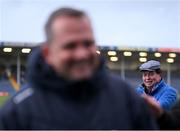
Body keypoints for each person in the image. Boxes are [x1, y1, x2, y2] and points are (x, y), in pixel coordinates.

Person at [0, 7, 157, 129]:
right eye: (70, 46)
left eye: (88, 44)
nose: (82, 54)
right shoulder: (17, 111)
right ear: (48, 53)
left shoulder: (125, 95)